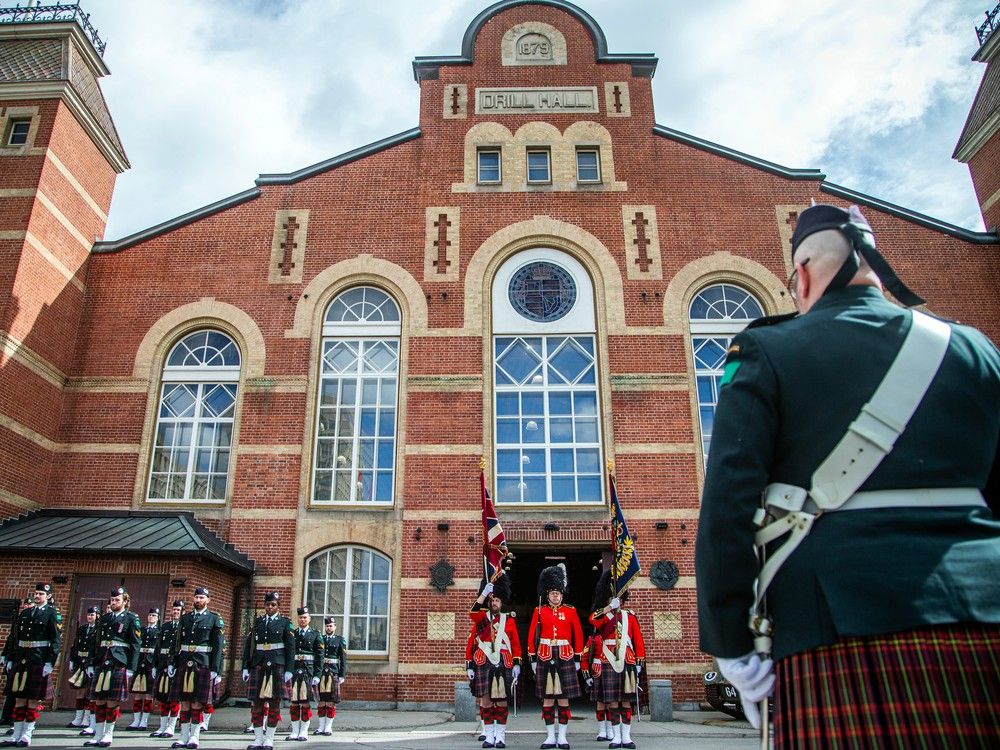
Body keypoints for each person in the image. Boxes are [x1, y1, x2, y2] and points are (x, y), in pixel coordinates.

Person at [695, 203, 1000, 746]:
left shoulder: (766, 349)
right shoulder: (974, 348)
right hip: (984, 611)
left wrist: (732, 644)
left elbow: (727, 508)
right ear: (876, 268)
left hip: (833, 627)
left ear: (805, 274)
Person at [527, 564, 584, 750]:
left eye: (558, 593)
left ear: (562, 594)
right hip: (544, 654)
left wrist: (577, 658)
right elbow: (531, 636)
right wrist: (533, 658)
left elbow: (578, 634)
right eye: (552, 593)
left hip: (565, 655)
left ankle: (563, 737)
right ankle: (550, 736)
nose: (555, 596)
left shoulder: (571, 611)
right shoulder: (539, 611)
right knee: (548, 698)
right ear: (547, 594)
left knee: (564, 698)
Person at [588, 571, 645, 750]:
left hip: (627, 659)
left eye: (619, 599)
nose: (617, 602)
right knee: (612, 701)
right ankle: (616, 736)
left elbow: (638, 641)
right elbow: (592, 620)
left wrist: (639, 663)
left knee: (626, 701)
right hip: (608, 659)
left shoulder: (630, 616)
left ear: (623, 600)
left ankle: (626, 737)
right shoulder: (604, 616)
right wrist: (607, 608)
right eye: (614, 599)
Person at [1, 583, 62, 747]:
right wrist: (10, 658)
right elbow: (16, 638)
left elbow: (56, 641)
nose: (37, 596)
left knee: (32, 700)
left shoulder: (52, 613)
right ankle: (16, 734)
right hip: (22, 658)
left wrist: (50, 662)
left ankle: (27, 735)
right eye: (36, 593)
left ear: (48, 596)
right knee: (19, 699)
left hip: (38, 658)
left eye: (41, 594)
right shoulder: (26, 612)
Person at [466, 574, 521, 749]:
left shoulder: (508, 620)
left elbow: (516, 644)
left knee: (502, 701)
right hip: (484, 662)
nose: (495, 603)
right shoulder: (481, 619)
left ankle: (501, 735)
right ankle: (489, 735)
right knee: (487, 701)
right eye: (493, 600)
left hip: (503, 662)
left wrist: (517, 663)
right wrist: (483, 594)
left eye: (497, 600)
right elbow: (472, 613)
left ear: (501, 602)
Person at [169, 587, 224, 750]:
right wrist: (172, 662)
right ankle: (183, 736)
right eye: (196, 597)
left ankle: (194, 736)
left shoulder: (214, 619)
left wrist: (216, 669)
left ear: (208, 600)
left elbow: (218, 646)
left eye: (201, 597)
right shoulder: (185, 618)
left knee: (197, 703)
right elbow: (177, 641)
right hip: (184, 661)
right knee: (184, 702)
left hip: (203, 662)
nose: (198, 600)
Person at [85, 587, 140, 748]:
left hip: (119, 661)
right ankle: (97, 734)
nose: (114, 602)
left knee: (112, 701)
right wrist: (90, 662)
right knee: (99, 700)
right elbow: (94, 642)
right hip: (102, 660)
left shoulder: (131, 618)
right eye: (112, 600)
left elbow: (135, 645)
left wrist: (131, 668)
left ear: (125, 601)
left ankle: (108, 734)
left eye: (117, 600)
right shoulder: (104, 618)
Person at [241, 592, 295, 750]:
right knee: (256, 704)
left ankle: (269, 738)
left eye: (273, 605)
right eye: (268, 604)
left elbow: (290, 647)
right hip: (258, 663)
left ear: (278, 606)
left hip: (277, 663)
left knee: (274, 704)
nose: (270, 607)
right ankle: (258, 738)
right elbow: (249, 646)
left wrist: (289, 669)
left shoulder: (285, 623)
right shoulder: (257, 622)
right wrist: (246, 666)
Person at [150, 600, 183, 739]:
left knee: (174, 697)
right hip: (163, 664)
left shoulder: (184, 627)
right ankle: (162, 726)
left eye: (178, 610)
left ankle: (171, 726)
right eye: (174, 610)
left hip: (176, 664)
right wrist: (154, 664)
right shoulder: (165, 626)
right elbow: (158, 647)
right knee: (162, 697)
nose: (175, 612)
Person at [126, 608, 160, 731]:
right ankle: (136, 720)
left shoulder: (159, 631)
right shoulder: (142, 630)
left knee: (148, 693)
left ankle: (144, 721)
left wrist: (156, 665)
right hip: (140, 661)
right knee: (138, 693)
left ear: (158, 618)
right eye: (150, 615)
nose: (151, 617)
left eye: (154, 615)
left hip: (151, 662)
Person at [66, 606, 99, 731]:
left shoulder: (98, 630)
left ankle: (87, 718)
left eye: (93, 615)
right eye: (89, 614)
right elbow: (75, 645)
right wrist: (73, 660)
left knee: (89, 692)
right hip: (80, 661)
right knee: (80, 691)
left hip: (90, 663)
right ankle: (78, 718)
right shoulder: (82, 629)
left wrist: (92, 663)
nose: (90, 617)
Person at [314, 616, 347, 737]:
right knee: (322, 701)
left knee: (331, 701)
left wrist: (342, 674)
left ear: (335, 626)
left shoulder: (340, 640)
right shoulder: (320, 639)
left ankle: (328, 727)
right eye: (327, 626)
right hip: (322, 672)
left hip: (333, 672)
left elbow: (343, 659)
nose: (329, 628)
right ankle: (321, 726)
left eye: (331, 625)